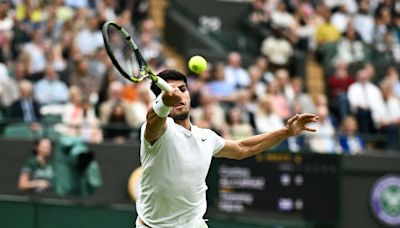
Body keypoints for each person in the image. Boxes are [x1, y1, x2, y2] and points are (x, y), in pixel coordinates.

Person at [136, 69, 318, 227]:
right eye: (169, 91)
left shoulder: (206, 137)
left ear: (189, 94)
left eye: (182, 90)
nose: (178, 95)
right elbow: (154, 121)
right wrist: (165, 102)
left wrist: (285, 132)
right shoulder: (158, 130)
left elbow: (242, 148)